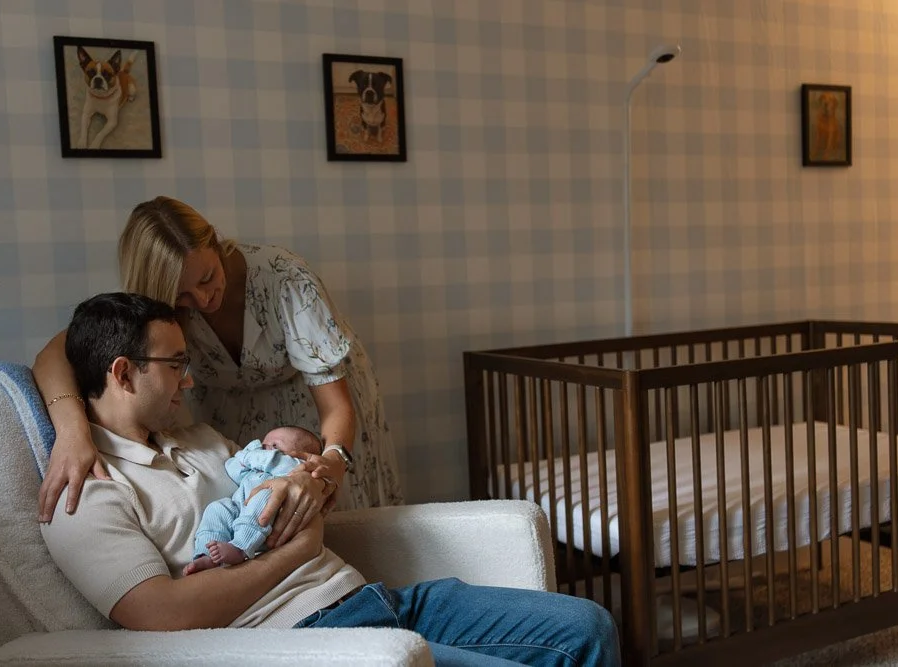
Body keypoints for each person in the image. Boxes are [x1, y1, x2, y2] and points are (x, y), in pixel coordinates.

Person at [42, 292, 620, 666]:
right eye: (174, 366)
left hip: (371, 596)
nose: (189, 382)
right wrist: (298, 552)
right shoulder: (86, 492)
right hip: (312, 638)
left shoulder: (199, 440)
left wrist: (313, 481)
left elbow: (294, 482)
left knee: (587, 626)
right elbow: (158, 615)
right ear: (122, 372)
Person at [33, 195, 403, 533]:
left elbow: (335, 406)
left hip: (321, 411)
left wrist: (333, 461)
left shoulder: (286, 279)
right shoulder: (153, 310)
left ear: (215, 243)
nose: (204, 298)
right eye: (183, 295)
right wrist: (72, 432)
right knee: (252, 518)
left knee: (341, 525)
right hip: (233, 420)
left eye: (208, 277)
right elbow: (55, 354)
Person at [186, 425, 327, 575]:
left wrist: (249, 455)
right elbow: (232, 467)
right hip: (241, 508)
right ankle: (207, 554)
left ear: (300, 455)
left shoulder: (295, 466)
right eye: (263, 444)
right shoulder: (254, 468)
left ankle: (240, 548)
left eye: (275, 445)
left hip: (272, 519)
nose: (265, 448)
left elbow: (271, 460)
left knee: (265, 496)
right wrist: (250, 450)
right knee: (217, 508)